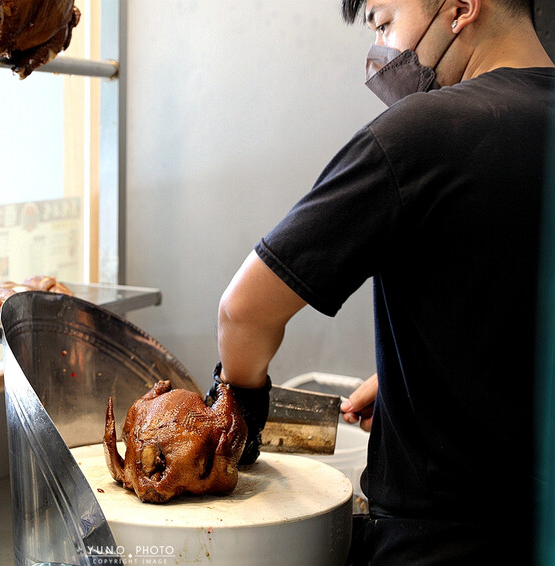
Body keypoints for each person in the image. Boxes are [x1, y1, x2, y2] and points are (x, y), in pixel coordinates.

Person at [205, 0, 554, 563]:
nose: (382, 53)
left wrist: (238, 409)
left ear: (461, 8)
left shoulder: (422, 132)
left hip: (439, 545)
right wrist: (410, 377)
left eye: (384, 23)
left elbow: (243, 311)